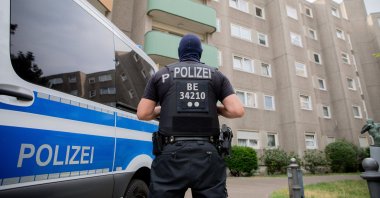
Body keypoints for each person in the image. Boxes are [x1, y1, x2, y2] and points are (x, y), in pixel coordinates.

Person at [137, 34, 244, 198]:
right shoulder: (217, 76)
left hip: (170, 154)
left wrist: (163, 108)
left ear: (179, 53)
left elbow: (143, 113)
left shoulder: (162, 75)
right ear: (200, 53)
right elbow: (237, 110)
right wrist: (214, 108)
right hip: (208, 156)